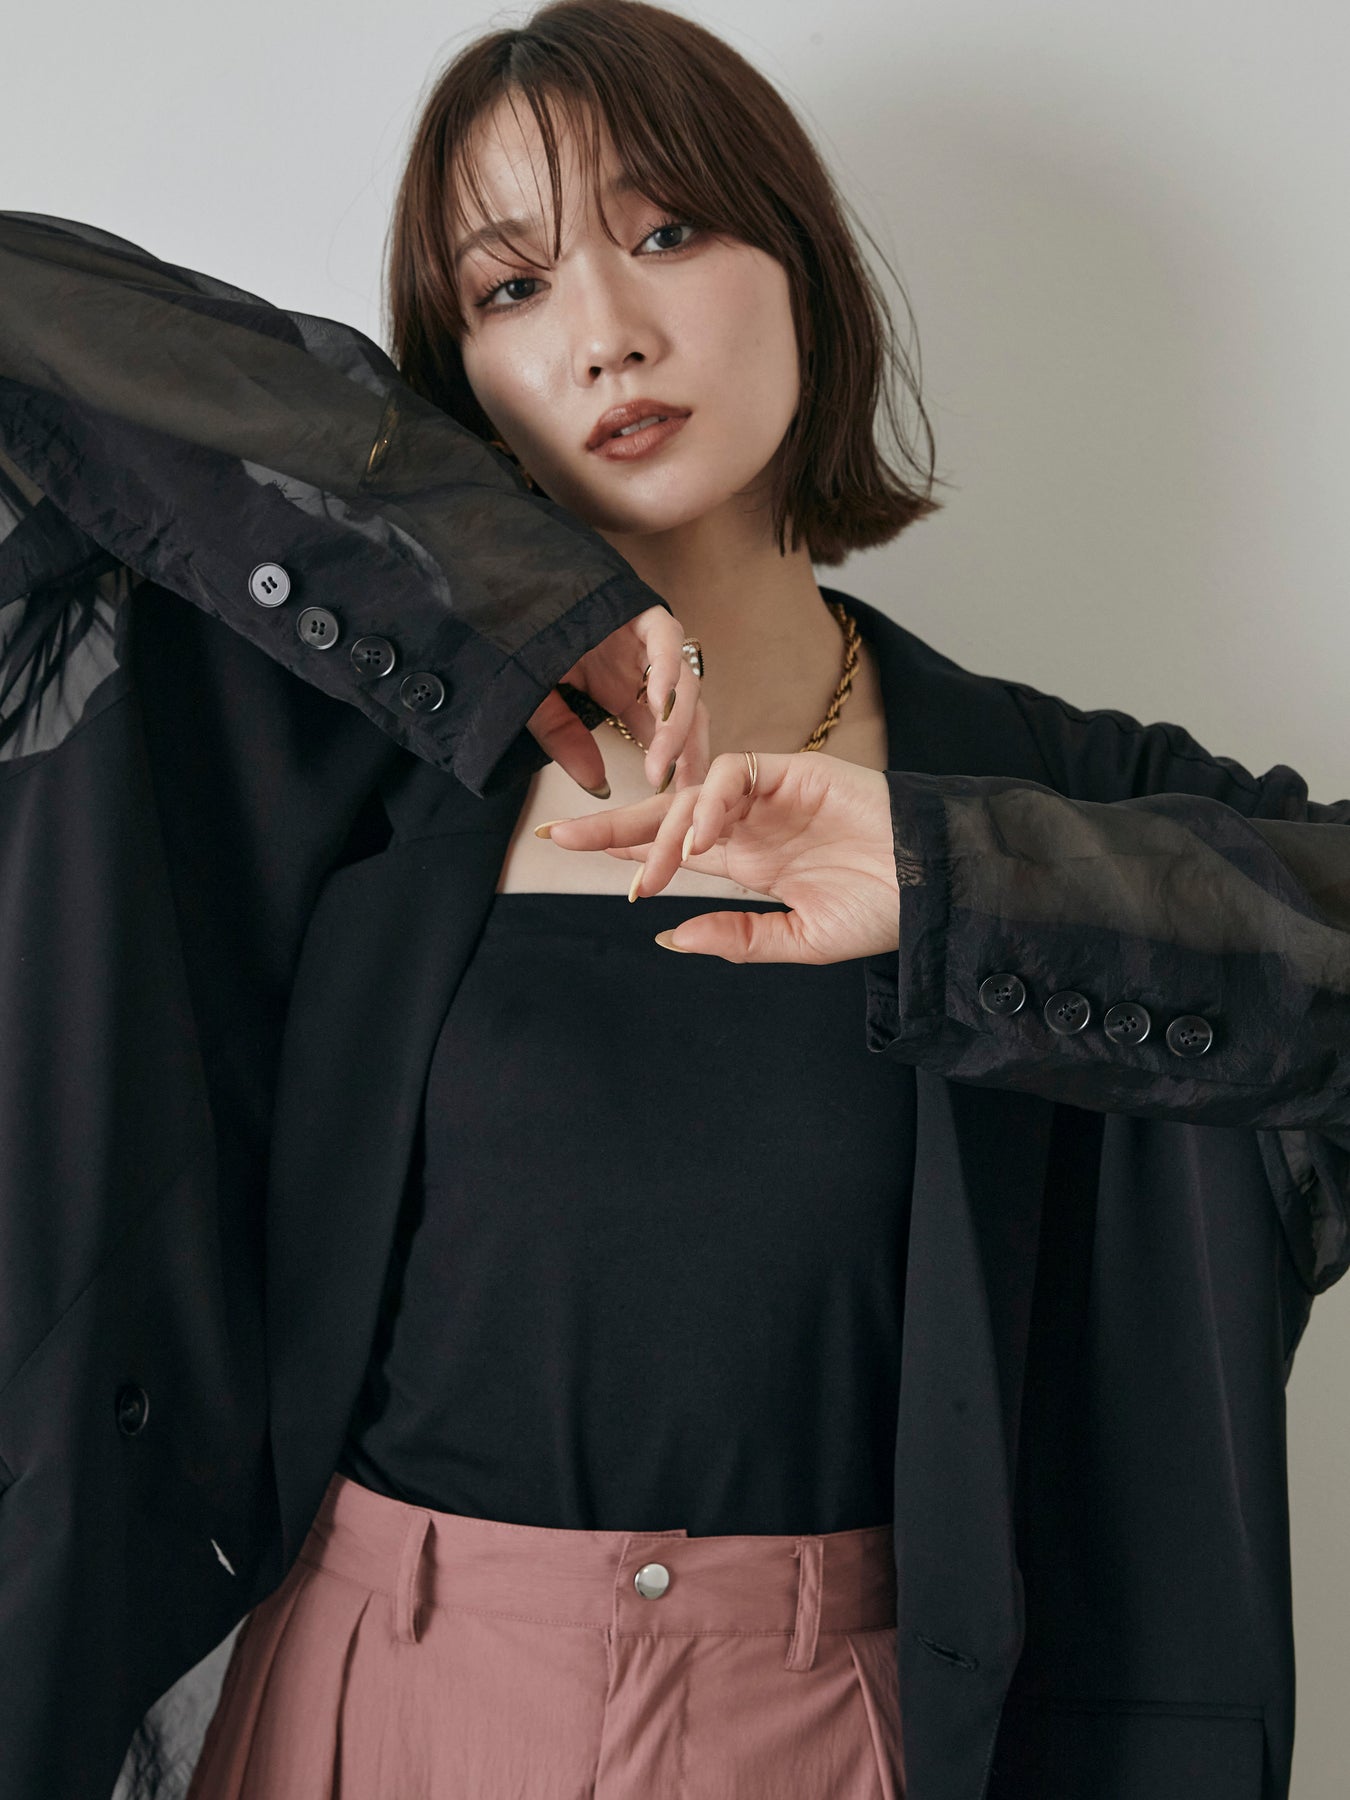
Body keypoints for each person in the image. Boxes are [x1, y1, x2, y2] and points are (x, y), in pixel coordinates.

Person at [0, 3, 1346, 1798]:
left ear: (803, 273)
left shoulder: (1067, 801)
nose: (605, 333)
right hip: (369, 1704)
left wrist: (950, 881)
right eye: (510, 287)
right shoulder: (328, 772)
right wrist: (486, 577)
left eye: (666, 232)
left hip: (845, 1732)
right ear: (458, 378)